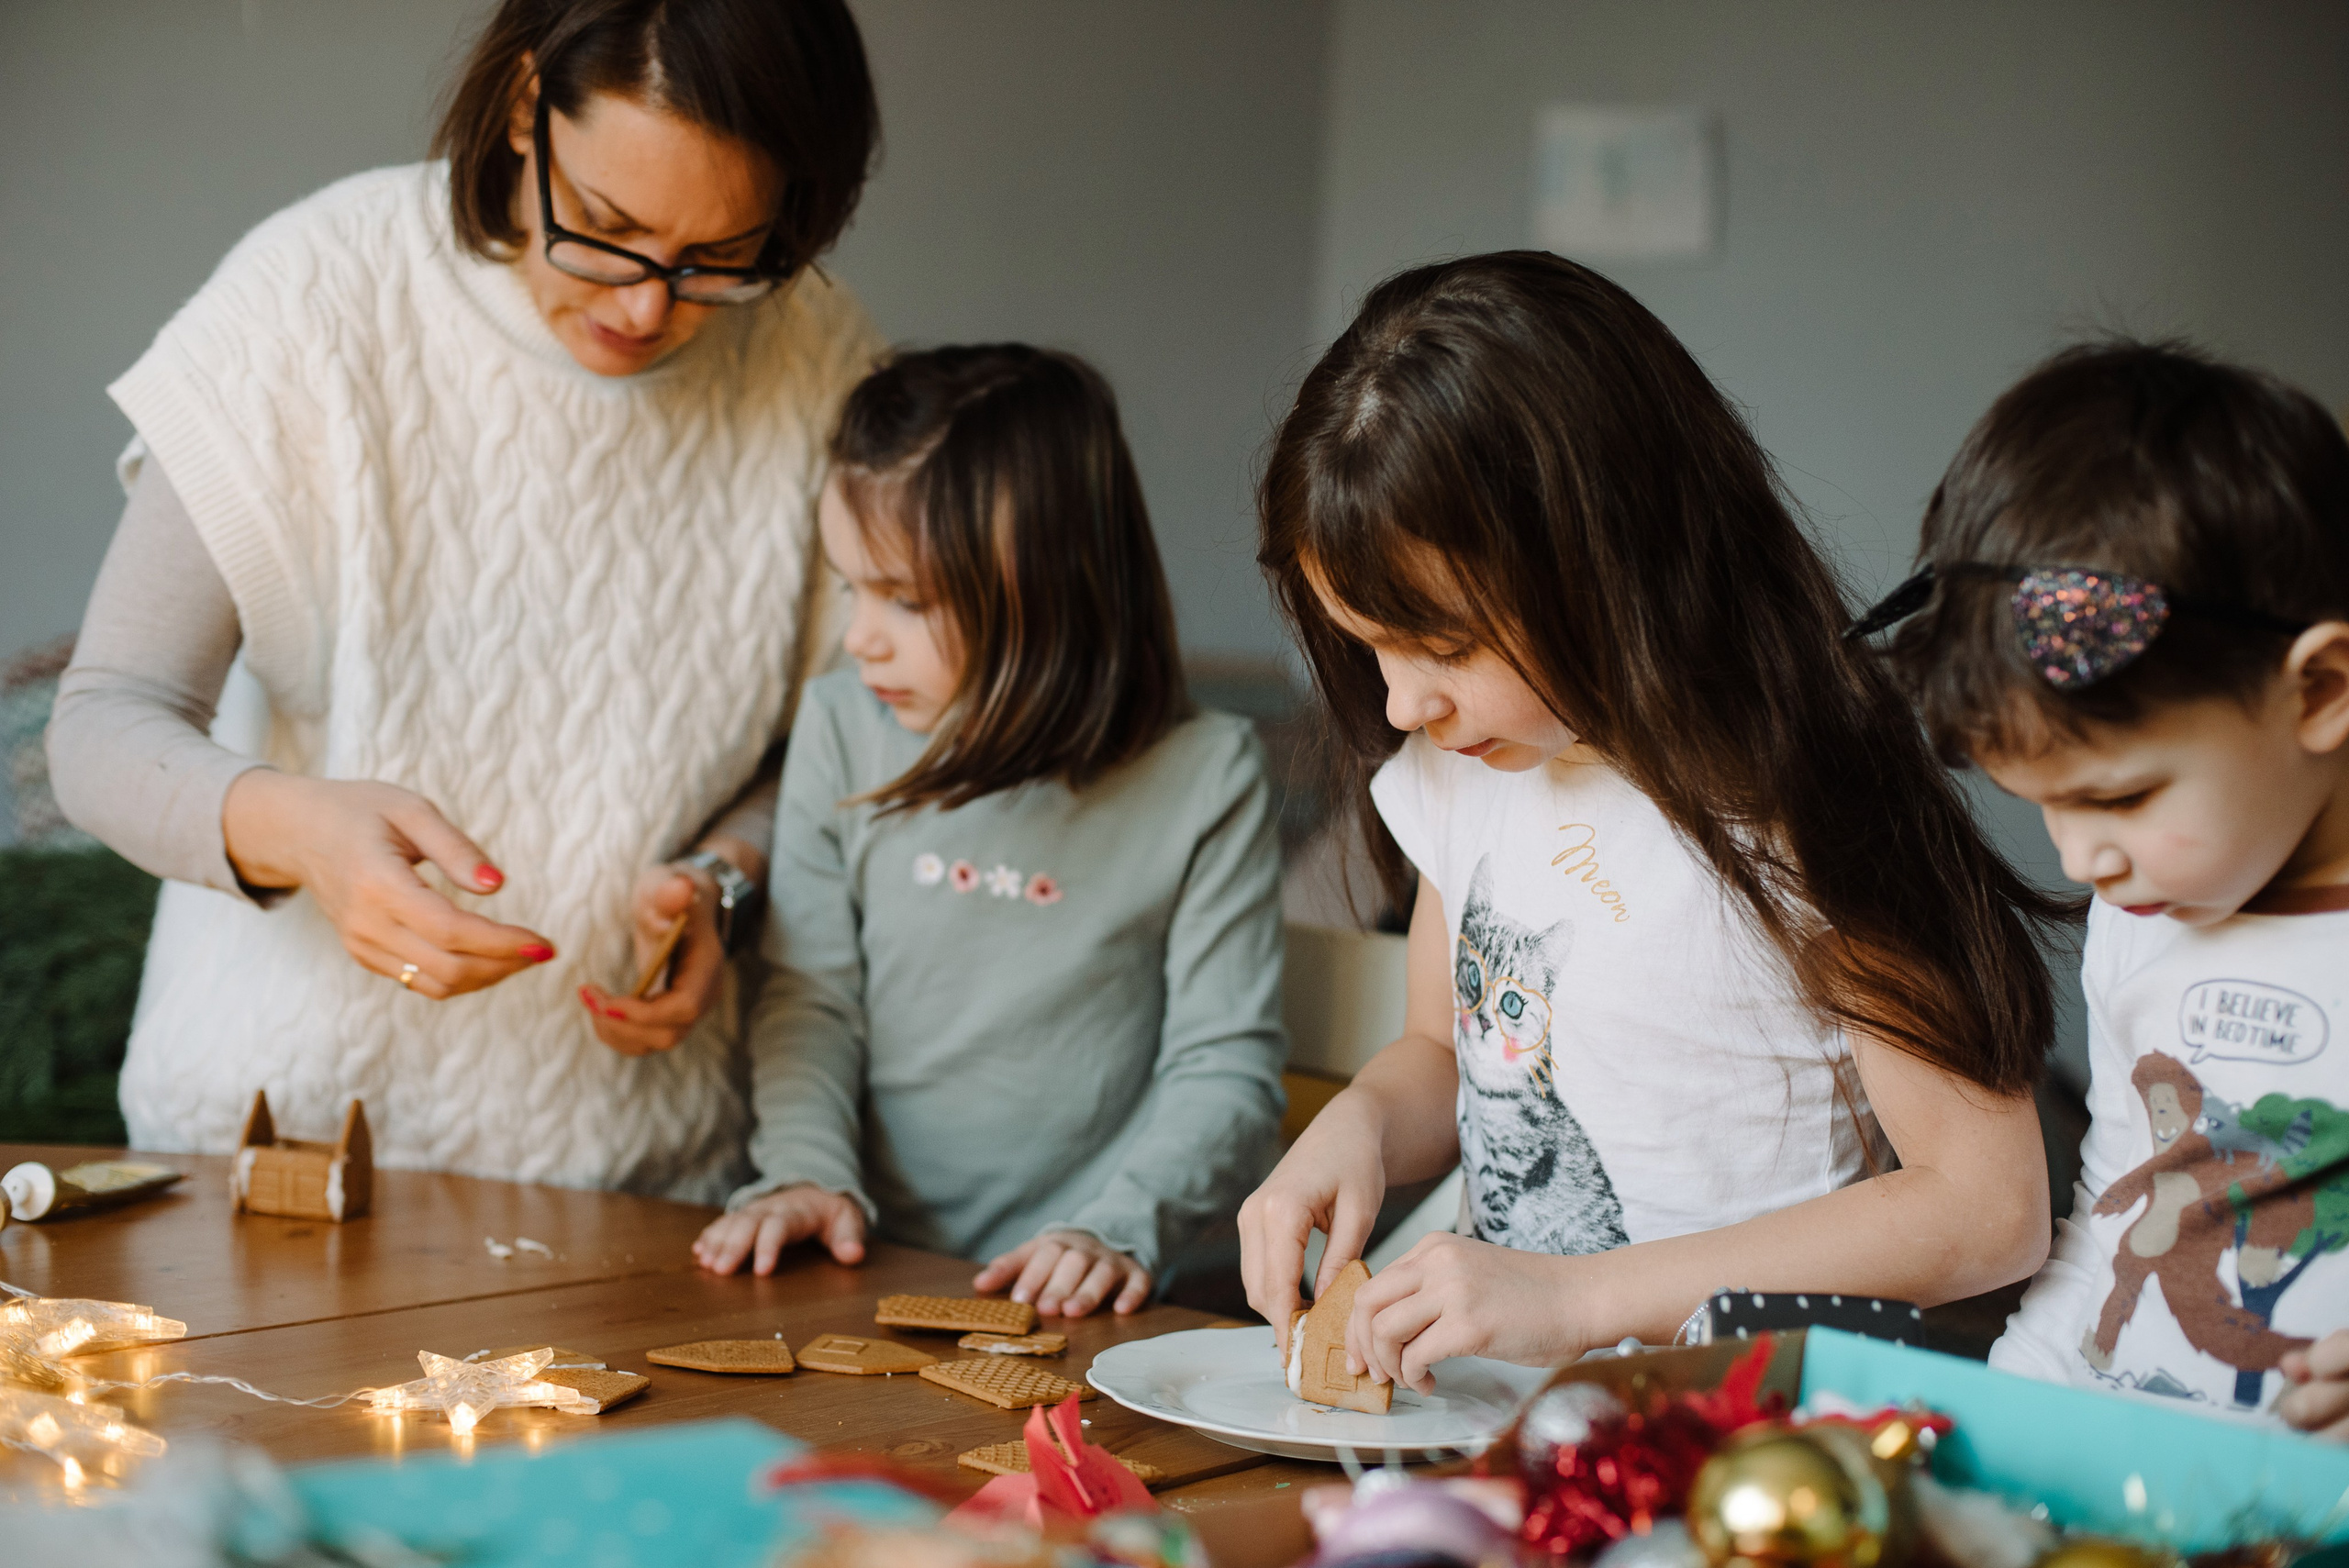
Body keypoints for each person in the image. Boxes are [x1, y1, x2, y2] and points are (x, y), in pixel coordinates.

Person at [45, 0, 883, 1198]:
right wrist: (308, 836)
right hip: (270, 1159)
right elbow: (104, 724)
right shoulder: (315, 297)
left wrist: (725, 880)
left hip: (645, 1182)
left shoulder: (821, 357)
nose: (648, 307)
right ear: (525, 106)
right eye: (607, 226)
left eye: (719, 260)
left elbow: (834, 737)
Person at [1238, 251, 2069, 1392]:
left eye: (1443, 646)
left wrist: (1577, 1298)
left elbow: (1989, 1206)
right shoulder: (1466, 762)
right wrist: (1362, 1126)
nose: (1398, 702)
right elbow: (1443, 1047)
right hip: (1495, 1417)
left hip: (1744, 1433)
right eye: (1367, 646)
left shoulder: (1808, 799)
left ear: (1609, 560)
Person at [692, 346, 1287, 1317]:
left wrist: (1118, 1220)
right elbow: (811, 998)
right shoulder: (844, 723)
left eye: (906, 599)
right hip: (859, 1261)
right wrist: (806, 1171)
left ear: (1051, 587)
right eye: (850, 587)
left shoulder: (1203, 775)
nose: (859, 637)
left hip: (1090, 1291)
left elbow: (1223, 1063)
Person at [1871, 340, 2349, 1438]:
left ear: (2318, 690)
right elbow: (2105, 1218)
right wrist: (2000, 1430)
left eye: (2123, 797)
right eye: (2046, 803)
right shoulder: (2142, 915)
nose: (2082, 862)